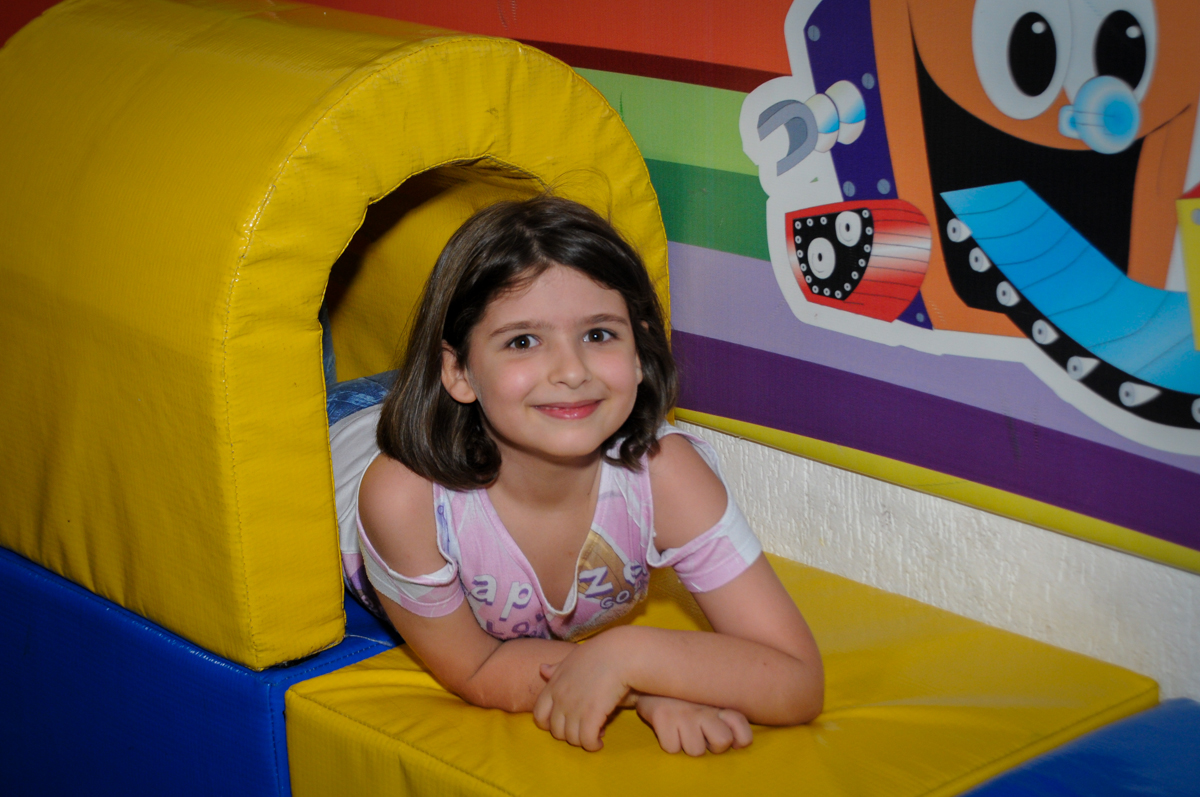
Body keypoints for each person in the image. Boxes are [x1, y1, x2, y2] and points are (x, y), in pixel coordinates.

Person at [329, 195, 823, 756]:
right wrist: (644, 689)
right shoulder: (405, 498)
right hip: (340, 426)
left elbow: (798, 679)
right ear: (459, 371)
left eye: (598, 335)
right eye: (523, 340)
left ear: (639, 349)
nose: (571, 371)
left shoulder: (664, 472)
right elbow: (479, 665)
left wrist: (632, 659)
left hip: (478, 403)